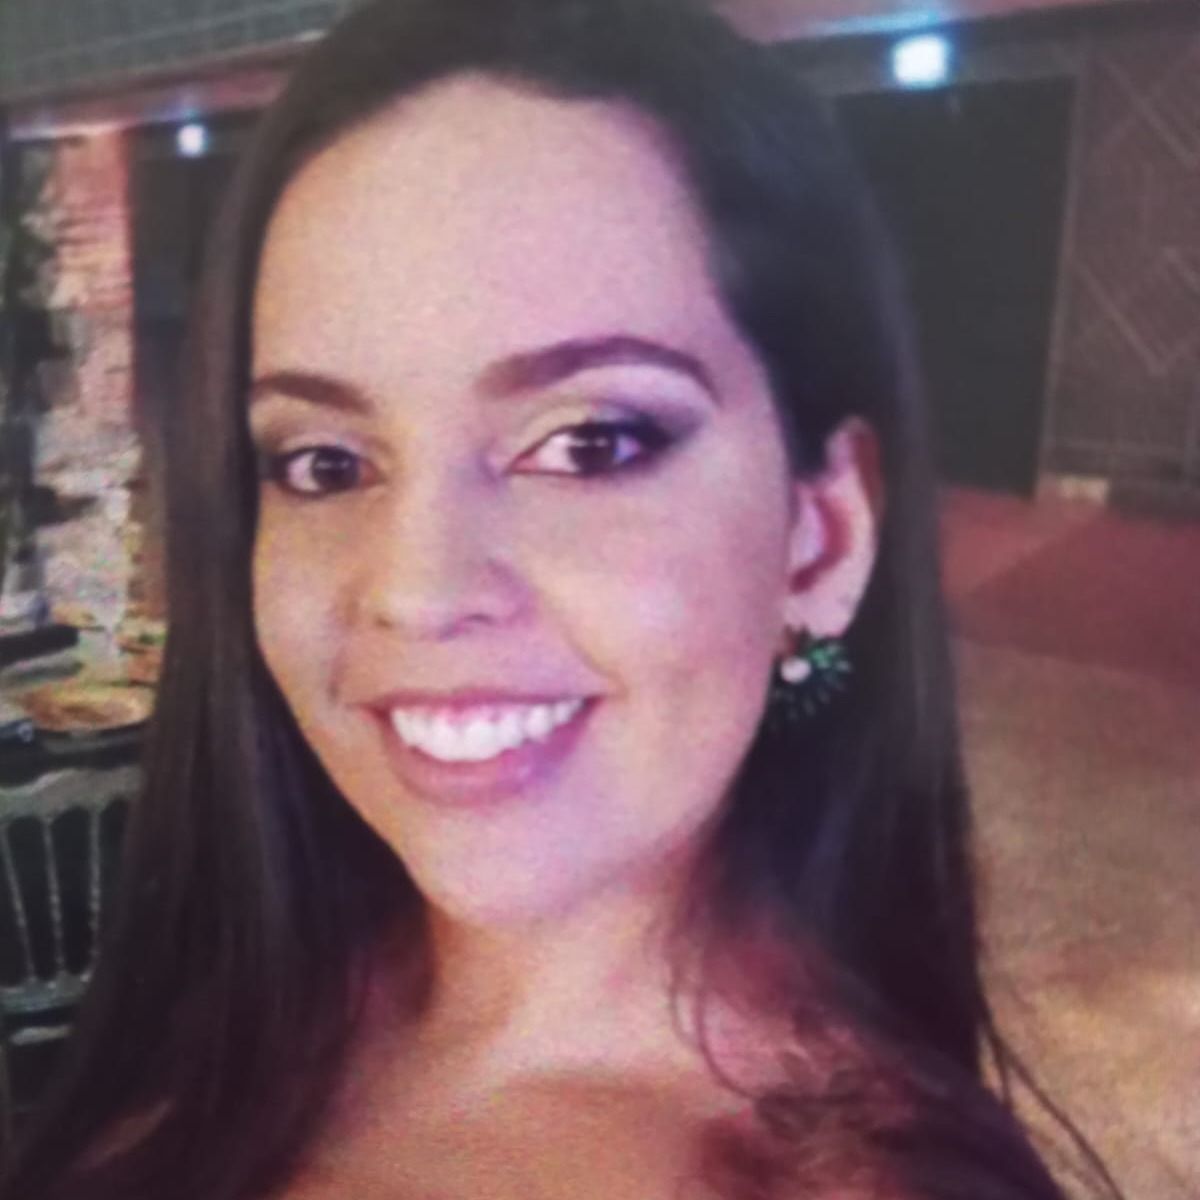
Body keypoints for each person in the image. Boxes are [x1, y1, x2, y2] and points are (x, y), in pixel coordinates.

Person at [1, 2, 1123, 1198]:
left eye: (590, 443)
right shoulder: (230, 989)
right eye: (325, 463)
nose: (418, 592)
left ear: (821, 541)